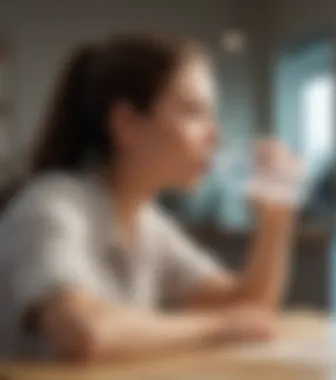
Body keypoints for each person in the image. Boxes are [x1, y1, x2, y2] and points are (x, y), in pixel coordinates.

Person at [0, 33, 302, 361]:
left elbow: (249, 309)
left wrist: (276, 217)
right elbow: (83, 330)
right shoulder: (50, 207)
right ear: (126, 124)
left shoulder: (146, 223)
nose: (216, 135)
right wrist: (218, 327)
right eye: (192, 111)